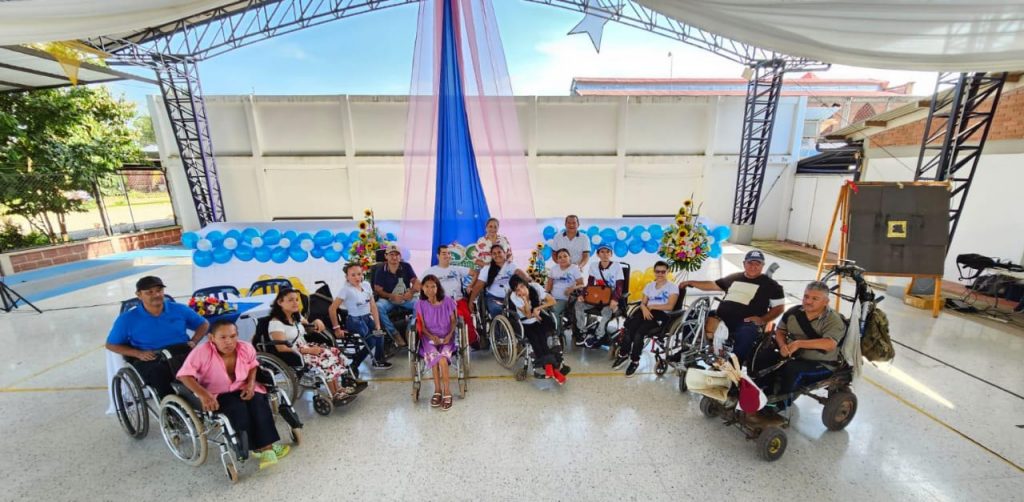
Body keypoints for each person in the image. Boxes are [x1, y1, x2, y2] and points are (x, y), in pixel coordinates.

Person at [177, 320, 290, 470]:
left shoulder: (245, 347)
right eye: (223, 337)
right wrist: (204, 395)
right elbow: (184, 376)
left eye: (232, 336)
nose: (229, 342)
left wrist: (250, 385)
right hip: (218, 392)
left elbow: (253, 366)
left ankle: (266, 448)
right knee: (238, 409)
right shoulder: (201, 352)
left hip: (242, 386)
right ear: (212, 338)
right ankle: (259, 448)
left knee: (259, 404)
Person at [106, 276, 209, 397]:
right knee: (158, 373)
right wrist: (138, 354)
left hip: (181, 351)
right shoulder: (127, 319)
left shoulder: (179, 309)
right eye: (149, 292)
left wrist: (194, 341)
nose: (156, 294)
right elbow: (111, 344)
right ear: (139, 295)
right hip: (152, 357)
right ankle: (171, 408)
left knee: (209, 362)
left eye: (159, 290)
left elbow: (203, 323)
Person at [680, 250, 784, 366]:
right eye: (750, 263)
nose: (753, 267)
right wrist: (691, 282)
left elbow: (779, 308)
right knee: (693, 315)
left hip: (745, 322)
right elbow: (713, 285)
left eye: (757, 264)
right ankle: (686, 351)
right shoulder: (734, 277)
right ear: (744, 263)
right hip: (720, 317)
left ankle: (732, 366)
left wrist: (763, 319)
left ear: (762, 265)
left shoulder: (772, 285)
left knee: (747, 332)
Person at [754, 281, 844, 410]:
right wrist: (782, 345)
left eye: (815, 299)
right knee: (763, 356)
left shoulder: (833, 320)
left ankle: (779, 405)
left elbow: (830, 344)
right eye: (806, 296)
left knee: (793, 369)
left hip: (822, 363)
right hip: (794, 355)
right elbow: (780, 331)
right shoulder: (794, 312)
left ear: (826, 301)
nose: (808, 301)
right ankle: (760, 393)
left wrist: (799, 343)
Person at [268, 288, 365, 402]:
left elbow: (309, 327)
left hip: (305, 347)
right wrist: (307, 351)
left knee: (334, 352)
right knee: (326, 358)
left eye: (296, 300)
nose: (295, 303)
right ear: (280, 302)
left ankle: (338, 388)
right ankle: (334, 393)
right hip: (294, 353)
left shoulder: (296, 316)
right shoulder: (275, 323)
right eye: (290, 300)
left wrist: (316, 322)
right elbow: (281, 347)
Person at [614, 261, 679, 378]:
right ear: (654, 272)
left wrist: (652, 306)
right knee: (629, 329)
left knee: (639, 334)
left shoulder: (672, 287)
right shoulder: (649, 286)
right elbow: (643, 303)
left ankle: (634, 361)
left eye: (663, 271)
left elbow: (670, 306)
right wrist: (644, 308)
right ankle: (623, 354)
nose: (660, 274)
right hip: (645, 310)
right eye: (657, 271)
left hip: (660, 314)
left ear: (667, 272)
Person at [329, 262, 392, 371]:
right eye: (353, 275)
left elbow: (372, 306)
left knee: (380, 334)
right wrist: (336, 328)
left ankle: (378, 361)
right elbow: (332, 309)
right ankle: (354, 364)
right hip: (354, 320)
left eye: (359, 274)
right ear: (347, 277)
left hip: (367, 317)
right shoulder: (346, 290)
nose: (357, 277)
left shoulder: (366, 285)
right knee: (371, 341)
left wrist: (377, 324)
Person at [508, 275, 568, 385]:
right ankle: (552, 369)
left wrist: (537, 308)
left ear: (525, 283)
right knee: (536, 339)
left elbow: (552, 301)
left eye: (522, 286)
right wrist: (525, 300)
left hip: (538, 319)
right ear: (514, 291)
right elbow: (528, 315)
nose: (521, 290)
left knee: (545, 337)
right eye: (517, 289)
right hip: (525, 322)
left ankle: (552, 367)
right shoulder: (514, 297)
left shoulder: (535, 287)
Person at [414, 275, 458, 411]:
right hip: (429, 338)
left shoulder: (448, 301)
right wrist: (432, 336)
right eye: (426, 286)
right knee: (435, 357)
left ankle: (447, 392)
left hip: (447, 337)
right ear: (422, 288)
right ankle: (437, 390)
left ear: (438, 287)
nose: (430, 289)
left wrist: (449, 335)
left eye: (433, 286)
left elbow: (454, 321)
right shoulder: (420, 304)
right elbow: (422, 327)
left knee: (443, 360)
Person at [423, 244, 479, 348]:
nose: (447, 255)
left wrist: (470, 286)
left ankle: (473, 340)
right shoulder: (431, 271)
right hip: (440, 303)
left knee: (466, 318)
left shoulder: (457, 269)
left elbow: (475, 273)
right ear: (438, 256)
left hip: (457, 300)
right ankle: (440, 342)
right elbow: (421, 285)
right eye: (444, 253)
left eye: (449, 253)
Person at [575, 243, 625, 348]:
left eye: (608, 252)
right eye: (602, 252)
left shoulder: (617, 266)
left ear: (611, 254)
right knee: (578, 304)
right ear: (598, 254)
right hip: (597, 297)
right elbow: (590, 284)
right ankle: (583, 331)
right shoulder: (594, 266)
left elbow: (619, 286)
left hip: (610, 298)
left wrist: (615, 299)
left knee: (606, 312)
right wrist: (583, 295)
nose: (605, 254)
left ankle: (599, 335)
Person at [371, 244, 417, 347]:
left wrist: (411, 292)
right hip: (388, 299)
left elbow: (416, 282)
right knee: (378, 307)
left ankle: (411, 330)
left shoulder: (406, 266)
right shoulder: (380, 270)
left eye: (397, 255)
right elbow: (378, 290)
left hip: (405, 298)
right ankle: (394, 333)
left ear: (400, 256)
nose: (394, 257)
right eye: (391, 254)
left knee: (420, 304)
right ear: (386, 256)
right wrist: (391, 296)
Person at [468, 244, 531, 319]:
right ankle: (499, 330)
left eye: (499, 252)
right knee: (497, 311)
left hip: (512, 296)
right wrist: (471, 301)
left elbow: (521, 274)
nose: (497, 255)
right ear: (491, 256)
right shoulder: (487, 268)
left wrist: (530, 281)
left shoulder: (511, 265)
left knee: (517, 313)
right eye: (494, 253)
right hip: (493, 297)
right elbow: (478, 286)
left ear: (504, 253)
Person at [546, 248, 583, 338]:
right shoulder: (554, 269)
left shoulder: (574, 269)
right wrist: (545, 295)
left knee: (554, 311)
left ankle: (557, 335)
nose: (562, 259)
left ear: (569, 257)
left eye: (565, 256)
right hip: (553, 297)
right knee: (541, 310)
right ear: (557, 260)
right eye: (560, 257)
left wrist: (572, 288)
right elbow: (549, 285)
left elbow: (582, 284)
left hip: (566, 299)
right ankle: (547, 332)